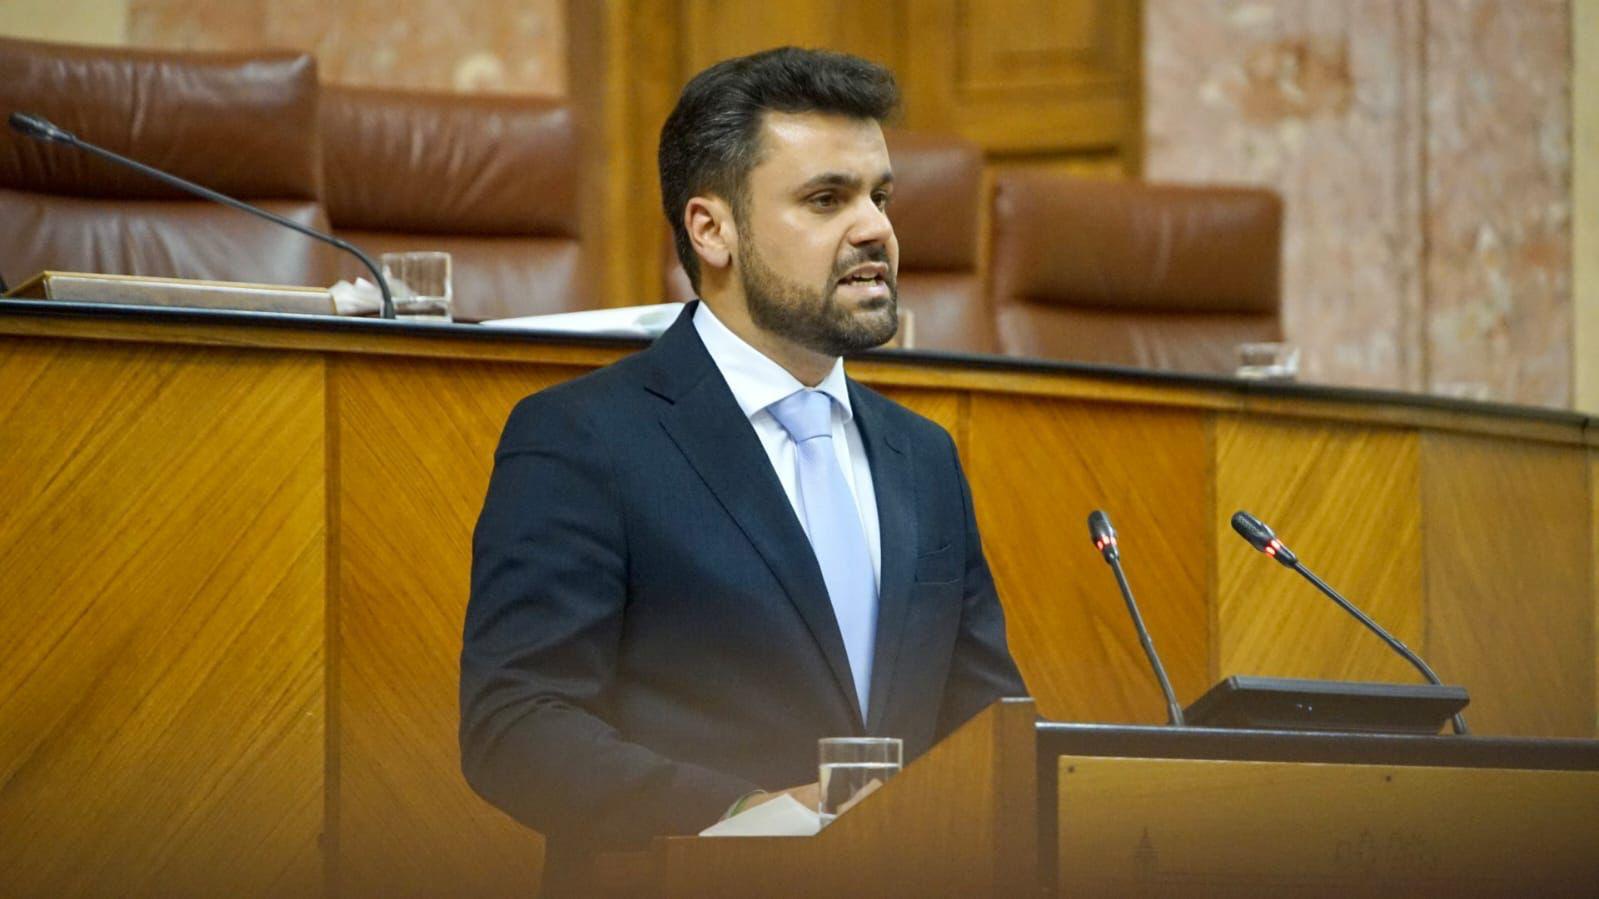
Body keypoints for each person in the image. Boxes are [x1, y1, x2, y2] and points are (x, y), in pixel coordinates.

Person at [459, 46, 1027, 893]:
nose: (874, 229)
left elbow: (985, 721)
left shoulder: (923, 456)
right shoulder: (582, 438)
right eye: (826, 199)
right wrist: (746, 814)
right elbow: (515, 724)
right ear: (710, 229)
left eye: (879, 197)